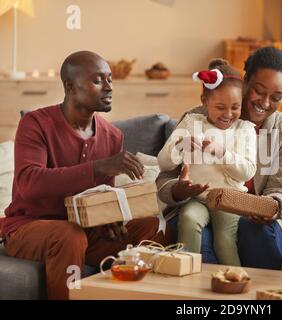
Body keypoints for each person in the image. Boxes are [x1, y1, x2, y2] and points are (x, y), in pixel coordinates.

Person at [0, 51, 171, 300]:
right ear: (70, 86)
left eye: (110, 79)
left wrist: (108, 219)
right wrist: (99, 168)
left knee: (150, 225)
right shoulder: (35, 124)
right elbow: (29, 183)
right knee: (69, 235)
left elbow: (98, 197)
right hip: (27, 228)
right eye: (98, 80)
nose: (109, 87)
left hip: (83, 231)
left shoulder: (112, 136)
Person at [156, 47, 282, 269]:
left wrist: (271, 206)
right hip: (199, 207)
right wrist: (178, 190)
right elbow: (165, 173)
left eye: (276, 97)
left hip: (256, 222)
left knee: (257, 235)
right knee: (201, 243)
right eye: (258, 91)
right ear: (245, 83)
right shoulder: (198, 119)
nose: (264, 102)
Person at [157, 59, 257, 266]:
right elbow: (163, 163)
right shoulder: (192, 122)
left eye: (235, 107)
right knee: (188, 219)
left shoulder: (244, 129)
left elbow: (247, 172)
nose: (228, 114)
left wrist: (222, 153)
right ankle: (184, 279)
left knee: (224, 240)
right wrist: (179, 146)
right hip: (196, 198)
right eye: (220, 107)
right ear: (204, 101)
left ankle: (236, 280)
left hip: (228, 199)